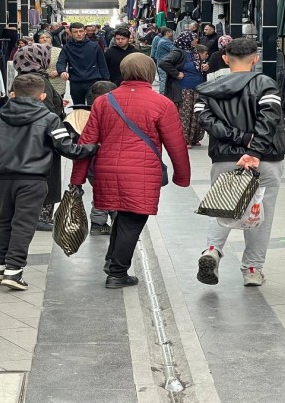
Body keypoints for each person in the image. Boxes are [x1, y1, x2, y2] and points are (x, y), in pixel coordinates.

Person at [70, 54, 191, 288]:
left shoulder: (103, 102)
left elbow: (86, 143)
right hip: (141, 172)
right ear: (150, 72)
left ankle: (111, 260)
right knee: (133, 220)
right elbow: (176, 144)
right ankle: (117, 273)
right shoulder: (162, 103)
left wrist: (77, 179)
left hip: (106, 169)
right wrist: (182, 176)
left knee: (123, 218)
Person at [0, 74, 98, 290]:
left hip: (3, 178)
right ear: (42, 96)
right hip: (33, 179)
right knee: (24, 224)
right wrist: (93, 148)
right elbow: (67, 148)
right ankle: (14, 272)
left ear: (12, 95)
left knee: (5, 220)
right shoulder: (50, 118)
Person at [194, 38, 285, 287]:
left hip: (224, 157)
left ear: (225, 59)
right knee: (261, 212)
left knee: (223, 207)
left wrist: (237, 138)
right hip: (265, 160)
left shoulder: (209, 87)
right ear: (255, 58)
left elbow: (202, 117)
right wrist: (255, 150)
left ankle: (212, 250)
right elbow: (270, 119)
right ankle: (253, 270)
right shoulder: (266, 84)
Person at [13, 44, 65, 232]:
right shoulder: (40, 81)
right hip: (43, 139)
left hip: (21, 138)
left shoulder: (20, 79)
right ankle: (42, 216)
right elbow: (47, 110)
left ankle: (23, 212)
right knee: (47, 176)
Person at [63, 81, 119, 235]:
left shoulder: (77, 116)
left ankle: (102, 222)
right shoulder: (110, 114)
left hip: (89, 166)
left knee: (102, 192)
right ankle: (101, 223)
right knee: (111, 194)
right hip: (107, 163)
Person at [159, 31, 207, 146]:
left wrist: (204, 67)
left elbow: (196, 66)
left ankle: (194, 137)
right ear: (187, 40)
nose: (196, 41)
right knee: (185, 114)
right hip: (184, 89)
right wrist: (176, 73)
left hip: (197, 88)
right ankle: (184, 139)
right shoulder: (178, 52)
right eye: (194, 38)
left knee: (196, 113)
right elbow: (163, 63)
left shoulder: (193, 51)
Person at [57, 22, 109, 106]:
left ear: (85, 32)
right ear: (70, 33)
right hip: (76, 83)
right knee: (78, 108)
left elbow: (102, 64)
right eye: (75, 32)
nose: (79, 34)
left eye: (81, 31)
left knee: (92, 108)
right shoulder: (67, 47)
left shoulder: (94, 46)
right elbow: (61, 61)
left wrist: (106, 81)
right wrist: (62, 71)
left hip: (93, 81)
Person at [37, 31, 66, 98]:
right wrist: (45, 73)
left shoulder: (59, 50)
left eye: (47, 37)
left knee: (58, 103)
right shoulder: (35, 51)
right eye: (42, 38)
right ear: (38, 40)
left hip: (57, 80)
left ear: (51, 39)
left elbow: (66, 63)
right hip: (41, 81)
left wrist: (59, 71)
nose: (45, 39)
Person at [153, 27, 175, 93]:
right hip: (163, 64)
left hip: (163, 63)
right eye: (171, 32)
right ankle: (162, 94)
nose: (172, 33)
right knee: (164, 79)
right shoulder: (164, 42)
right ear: (167, 33)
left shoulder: (164, 40)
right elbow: (174, 49)